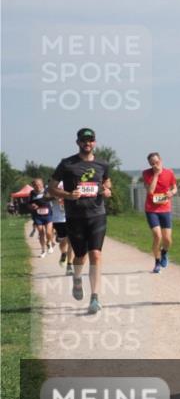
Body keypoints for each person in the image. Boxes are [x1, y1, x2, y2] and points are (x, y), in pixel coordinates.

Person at [49, 128, 112, 315]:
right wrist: (68, 194)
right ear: (77, 142)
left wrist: (106, 190)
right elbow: (51, 188)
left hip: (97, 214)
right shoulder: (67, 164)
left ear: (95, 142)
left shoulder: (102, 164)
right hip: (75, 216)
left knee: (96, 254)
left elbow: (107, 182)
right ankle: (77, 278)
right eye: (84, 140)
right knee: (80, 256)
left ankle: (95, 297)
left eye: (91, 140)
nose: (87, 143)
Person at [141, 152, 177, 274]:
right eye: (152, 164)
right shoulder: (146, 174)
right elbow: (150, 191)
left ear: (161, 160)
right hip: (151, 209)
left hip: (165, 209)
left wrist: (172, 193)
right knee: (157, 236)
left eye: (157, 162)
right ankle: (157, 262)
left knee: (167, 239)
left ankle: (164, 253)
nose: (155, 165)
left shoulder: (169, 172)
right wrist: (156, 174)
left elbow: (175, 187)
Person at [28, 178, 54, 257]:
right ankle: (43, 250)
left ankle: (49, 243)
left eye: (39, 184)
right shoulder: (32, 193)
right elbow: (29, 204)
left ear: (42, 184)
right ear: (33, 186)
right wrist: (32, 206)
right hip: (38, 216)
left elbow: (53, 198)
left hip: (48, 214)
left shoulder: (47, 191)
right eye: (35, 185)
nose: (37, 186)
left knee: (49, 232)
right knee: (41, 232)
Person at [50, 181, 72, 272]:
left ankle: (69, 265)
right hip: (59, 218)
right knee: (63, 240)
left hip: (73, 216)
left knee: (71, 241)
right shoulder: (54, 183)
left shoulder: (74, 181)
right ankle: (64, 253)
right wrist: (56, 196)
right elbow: (45, 197)